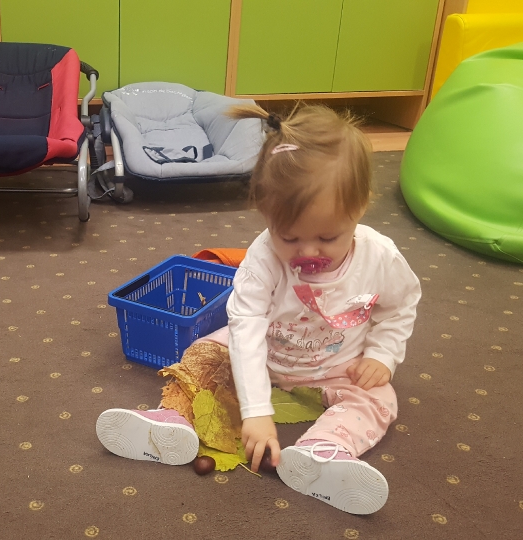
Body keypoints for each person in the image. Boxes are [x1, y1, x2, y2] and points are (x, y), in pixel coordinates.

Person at [95, 105, 421, 515]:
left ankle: (327, 448)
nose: (308, 252)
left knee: (379, 397)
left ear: (360, 208)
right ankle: (171, 420)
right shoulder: (262, 257)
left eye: (327, 237)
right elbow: (246, 328)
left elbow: (400, 306)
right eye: (289, 238)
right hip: (263, 356)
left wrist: (382, 354)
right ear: (266, 216)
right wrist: (256, 411)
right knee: (203, 351)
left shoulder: (381, 257)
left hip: (336, 367)